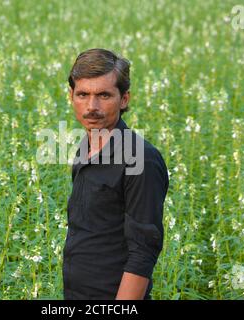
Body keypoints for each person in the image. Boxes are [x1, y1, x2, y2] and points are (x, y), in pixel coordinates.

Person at [63, 48, 169, 300]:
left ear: (124, 99)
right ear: (71, 96)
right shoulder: (86, 146)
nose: (91, 107)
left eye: (104, 95)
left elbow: (143, 252)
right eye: (83, 94)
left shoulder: (141, 158)